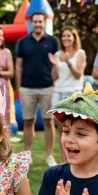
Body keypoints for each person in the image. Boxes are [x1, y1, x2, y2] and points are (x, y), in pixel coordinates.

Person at [15, 12, 60, 166]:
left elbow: (57, 65)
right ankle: (27, 154)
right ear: (31, 23)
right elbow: (19, 65)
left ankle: (49, 155)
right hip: (27, 88)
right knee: (28, 122)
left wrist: (55, 84)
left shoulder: (53, 42)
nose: (38, 24)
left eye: (40, 21)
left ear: (44, 22)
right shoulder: (23, 42)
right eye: (35, 22)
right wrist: (19, 86)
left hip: (47, 87)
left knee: (49, 122)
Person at [50, 26, 86, 163]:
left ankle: (75, 158)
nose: (66, 38)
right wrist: (54, 64)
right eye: (63, 36)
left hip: (73, 93)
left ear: (74, 37)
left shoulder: (80, 53)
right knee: (62, 129)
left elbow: (78, 75)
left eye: (68, 36)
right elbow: (53, 77)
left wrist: (67, 62)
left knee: (74, 127)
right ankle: (63, 160)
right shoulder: (58, 54)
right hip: (58, 92)